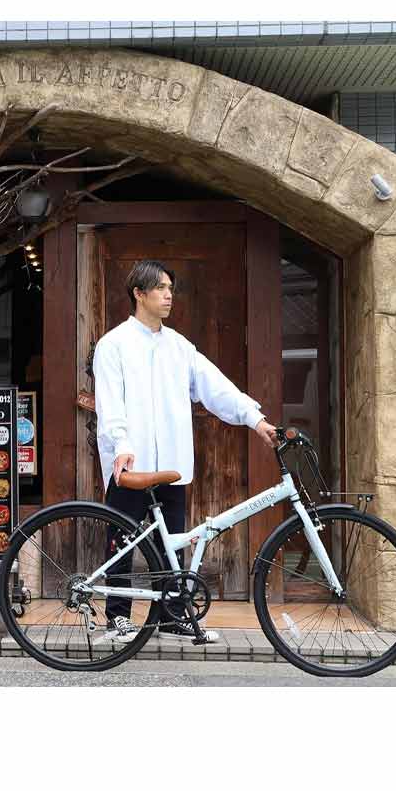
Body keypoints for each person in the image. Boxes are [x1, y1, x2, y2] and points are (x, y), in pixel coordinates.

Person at [92, 259, 278, 643]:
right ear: (138, 294)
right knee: (122, 541)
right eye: (160, 288)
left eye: (170, 289)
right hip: (131, 464)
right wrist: (121, 444)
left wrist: (256, 419)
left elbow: (216, 388)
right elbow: (109, 404)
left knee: (171, 543)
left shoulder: (179, 347)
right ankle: (117, 616)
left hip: (172, 464)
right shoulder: (114, 344)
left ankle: (171, 616)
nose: (168, 295)